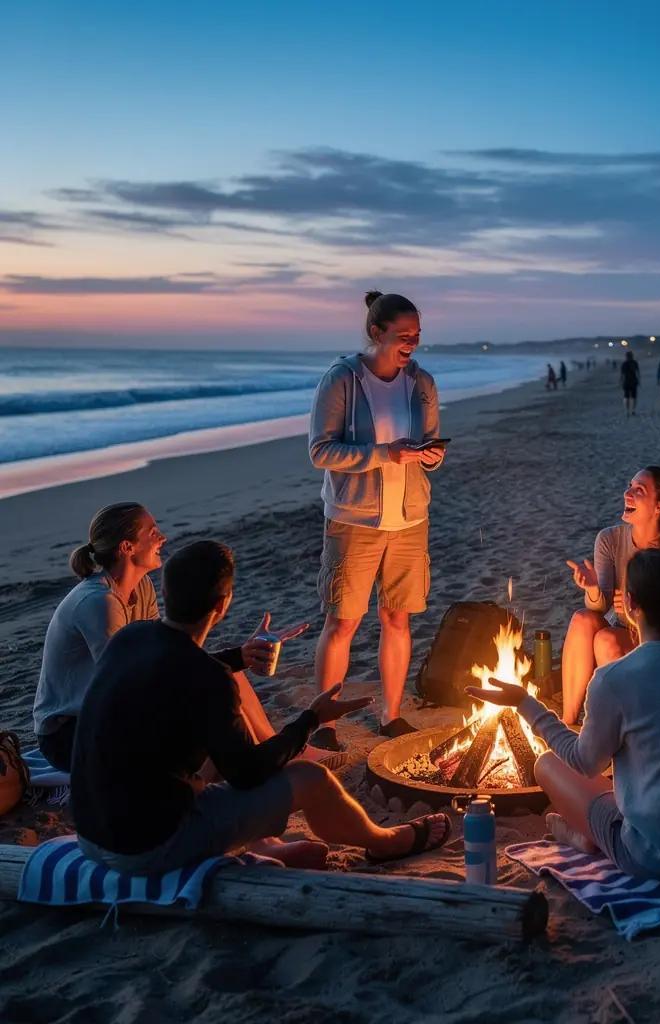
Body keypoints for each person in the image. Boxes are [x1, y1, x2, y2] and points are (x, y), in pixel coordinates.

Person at [72, 540, 452, 874]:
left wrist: (239, 656)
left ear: (167, 594)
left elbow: (174, 665)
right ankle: (386, 842)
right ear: (223, 605)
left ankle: (267, 845)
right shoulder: (208, 679)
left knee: (215, 747)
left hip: (91, 835)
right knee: (311, 779)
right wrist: (309, 720)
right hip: (146, 850)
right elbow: (247, 774)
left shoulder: (130, 638)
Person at [467, 550, 660, 879]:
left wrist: (525, 703)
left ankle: (584, 838)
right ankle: (590, 833)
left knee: (546, 764)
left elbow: (584, 763)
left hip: (657, 857)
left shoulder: (615, 679)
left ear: (629, 603)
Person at [32, 503, 304, 772]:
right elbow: (126, 686)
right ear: (127, 548)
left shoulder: (142, 585)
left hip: (117, 711)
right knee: (207, 694)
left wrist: (241, 655)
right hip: (70, 734)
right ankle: (254, 767)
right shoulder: (98, 603)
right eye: (152, 533)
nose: (162, 538)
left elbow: (167, 655)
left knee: (224, 675)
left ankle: (273, 750)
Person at [309, 291, 446, 742]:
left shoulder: (421, 382)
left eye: (417, 337)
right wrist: (382, 454)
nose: (412, 344)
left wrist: (429, 459)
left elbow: (430, 443)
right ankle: (324, 724)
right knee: (342, 622)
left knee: (398, 618)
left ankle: (390, 715)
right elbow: (320, 451)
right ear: (376, 333)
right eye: (403, 336)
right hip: (354, 520)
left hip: (409, 519)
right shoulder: (343, 379)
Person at [562, 466, 660, 725]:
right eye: (629, 486)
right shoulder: (609, 539)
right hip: (624, 630)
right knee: (583, 619)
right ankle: (568, 722)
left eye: (639, 490)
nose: (627, 493)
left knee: (606, 640)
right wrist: (593, 589)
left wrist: (639, 608)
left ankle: (625, 727)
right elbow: (600, 605)